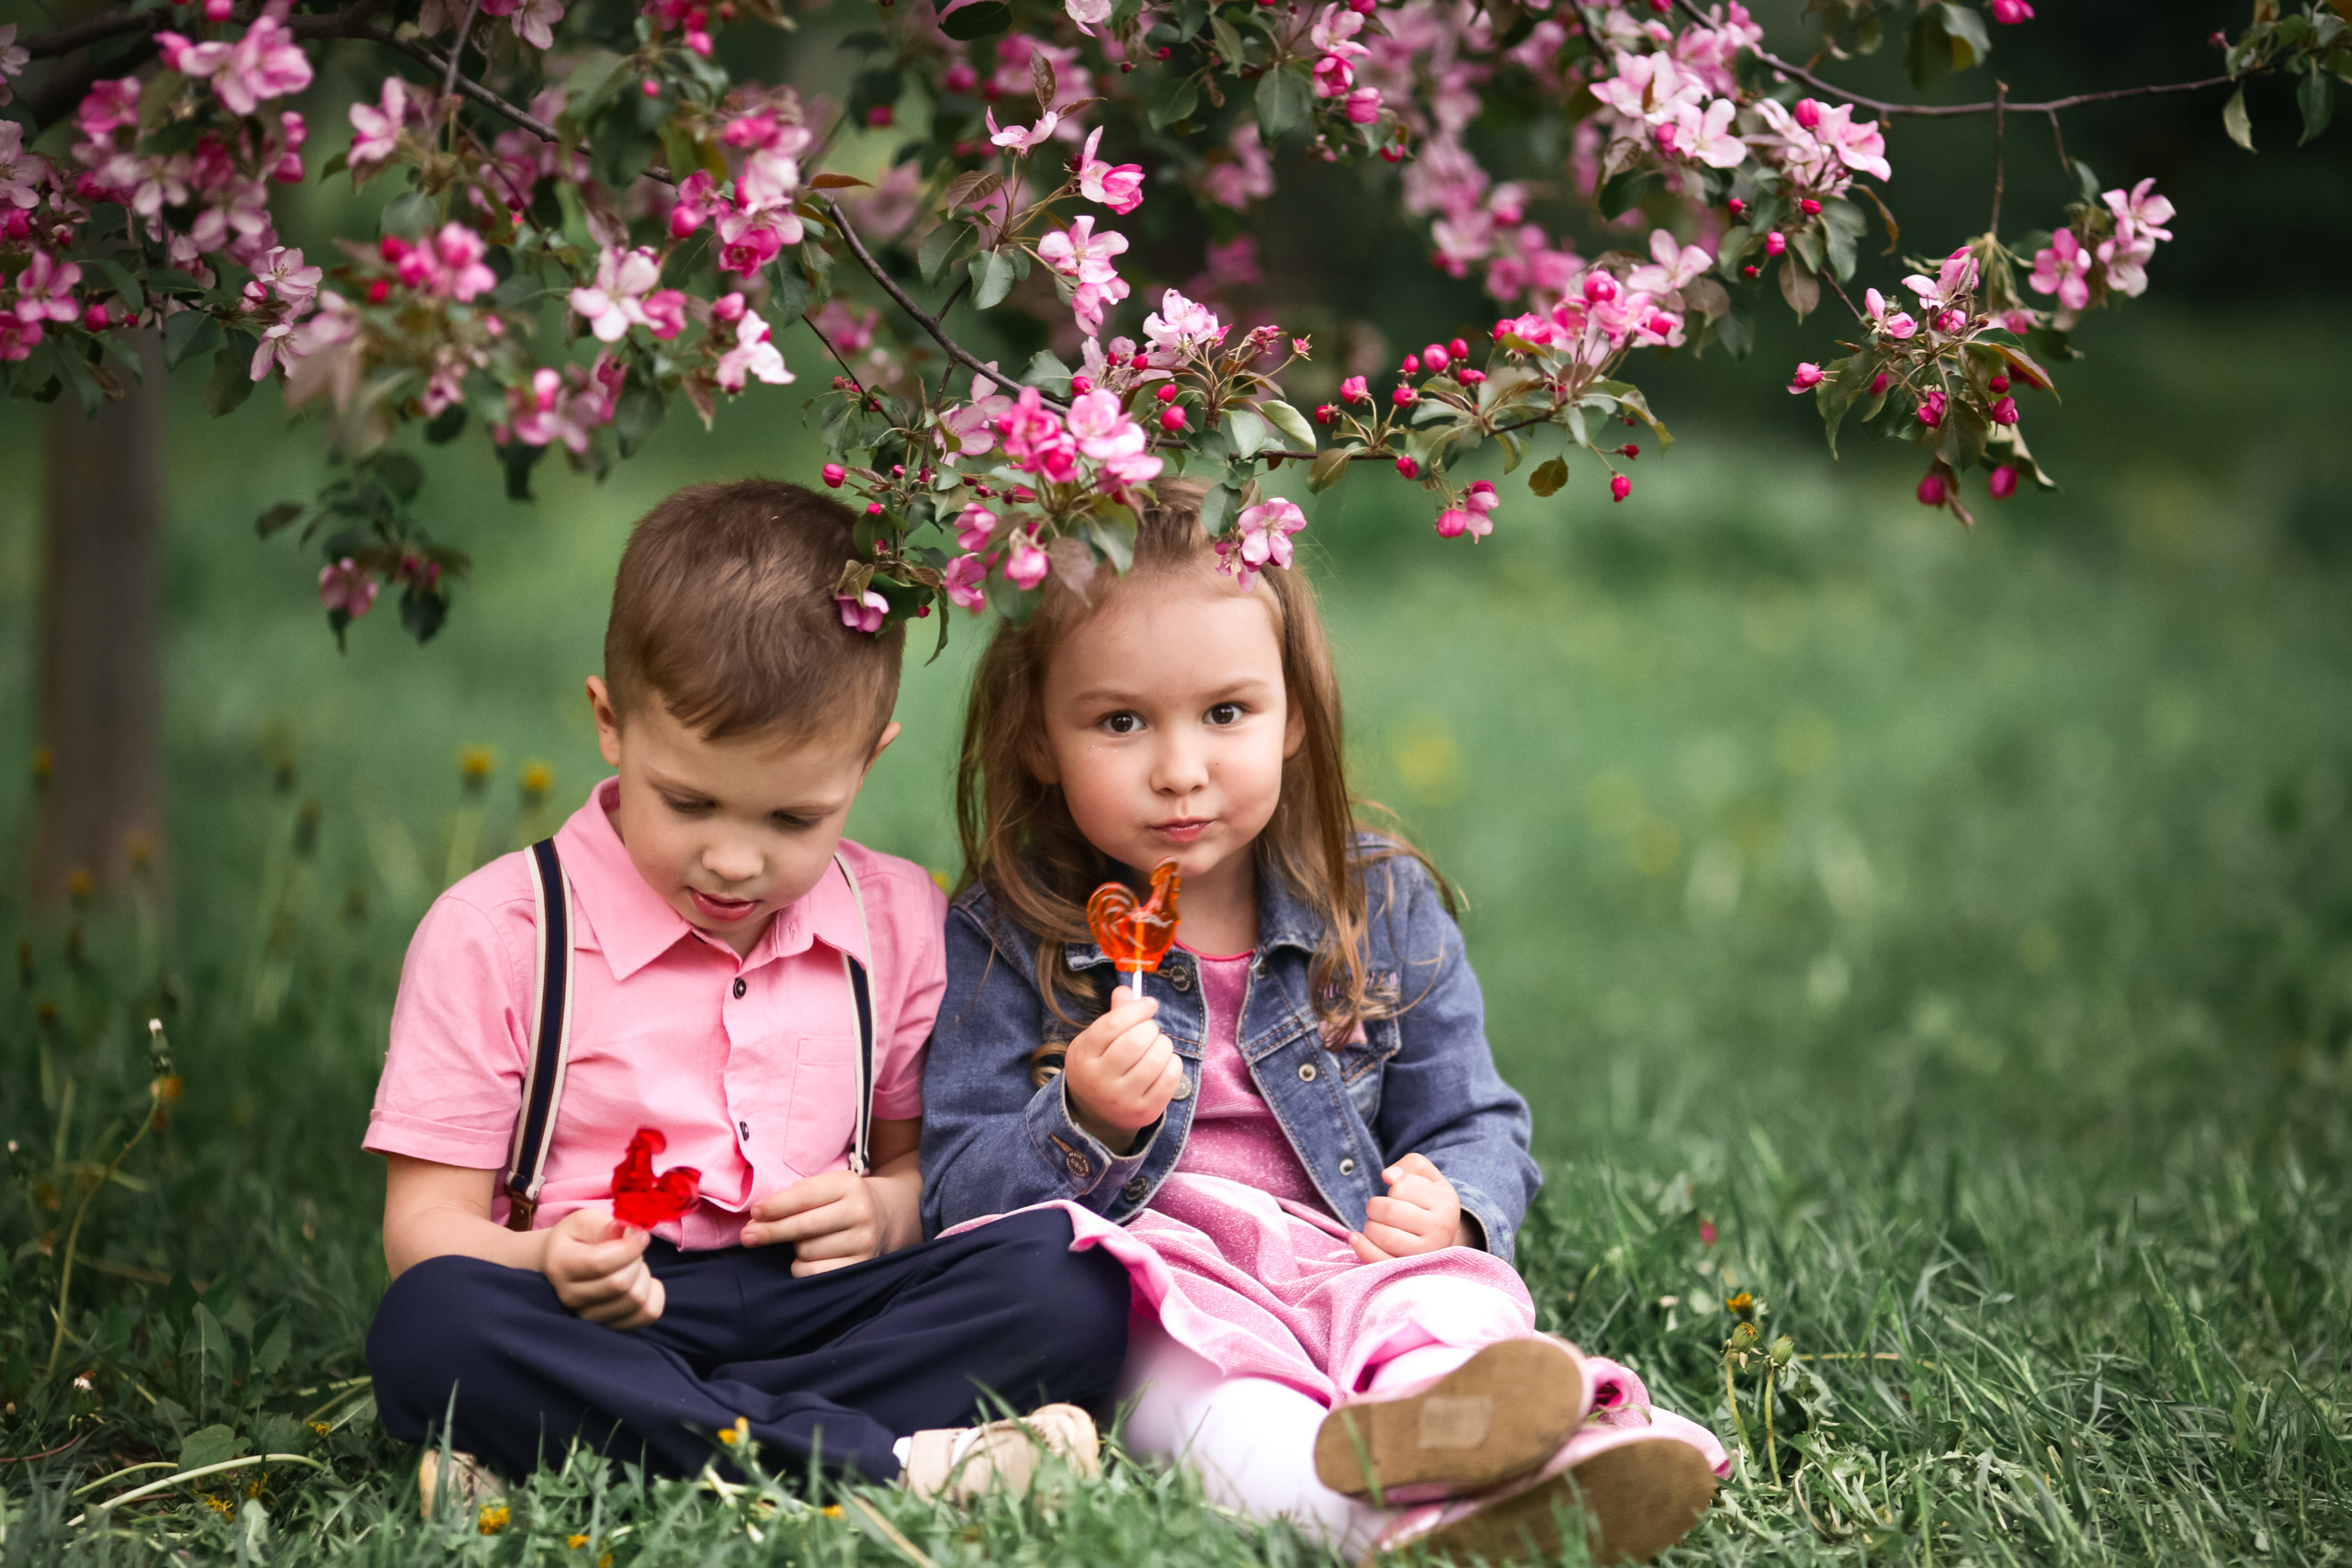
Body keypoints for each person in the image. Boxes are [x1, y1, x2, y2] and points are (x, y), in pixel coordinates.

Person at [920, 483, 1729, 1561]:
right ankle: (1397, 1525)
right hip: (1163, 1279)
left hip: (1350, 1250)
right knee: (1214, 1411)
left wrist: (1454, 1210)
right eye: (1120, 722)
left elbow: (1472, 1119)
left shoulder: (1377, 902)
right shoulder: (1006, 932)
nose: (1179, 771)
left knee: (1444, 1318)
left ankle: (1526, 1449)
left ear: (1293, 712)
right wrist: (1082, 1120)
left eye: (1226, 713)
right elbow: (955, 1194)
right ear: (1035, 736)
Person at [362, 479, 1131, 1509]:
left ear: (867, 761)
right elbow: (424, 1228)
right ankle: (895, 1464)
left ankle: (596, 1434)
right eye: (689, 802)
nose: (733, 860)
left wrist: (886, 1211)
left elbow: (919, 1169)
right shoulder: (499, 932)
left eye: (792, 819)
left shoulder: (895, 919)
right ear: (611, 722)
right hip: (599, 1310)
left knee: (1071, 1280)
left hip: (821, 1306)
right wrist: (546, 1256)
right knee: (435, 1322)